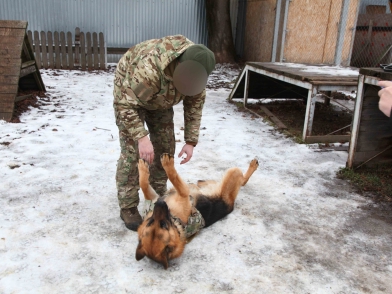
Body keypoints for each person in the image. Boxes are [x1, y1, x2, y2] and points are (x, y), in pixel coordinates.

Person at [113, 35, 216, 231]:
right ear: (180, 64)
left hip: (161, 98)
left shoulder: (196, 72)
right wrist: (141, 137)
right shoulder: (149, 69)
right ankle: (128, 206)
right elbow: (125, 105)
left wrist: (190, 141)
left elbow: (194, 105)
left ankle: (158, 193)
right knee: (133, 152)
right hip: (130, 93)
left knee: (165, 147)